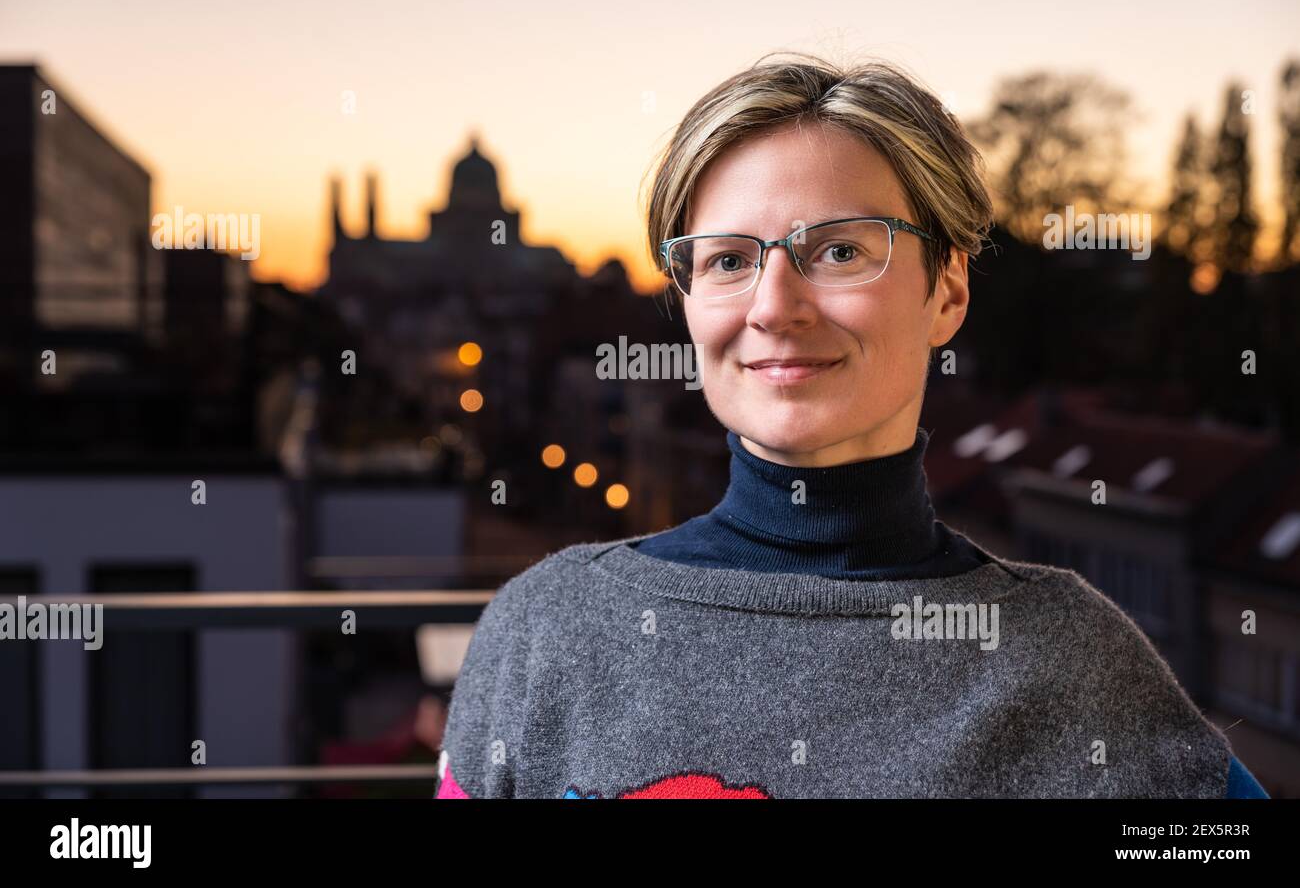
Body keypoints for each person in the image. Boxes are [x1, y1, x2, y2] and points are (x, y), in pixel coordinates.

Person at [436, 52, 1268, 799]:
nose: (773, 306)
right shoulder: (540, 631)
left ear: (947, 290)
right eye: (728, 259)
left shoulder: (1077, 663)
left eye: (837, 251)